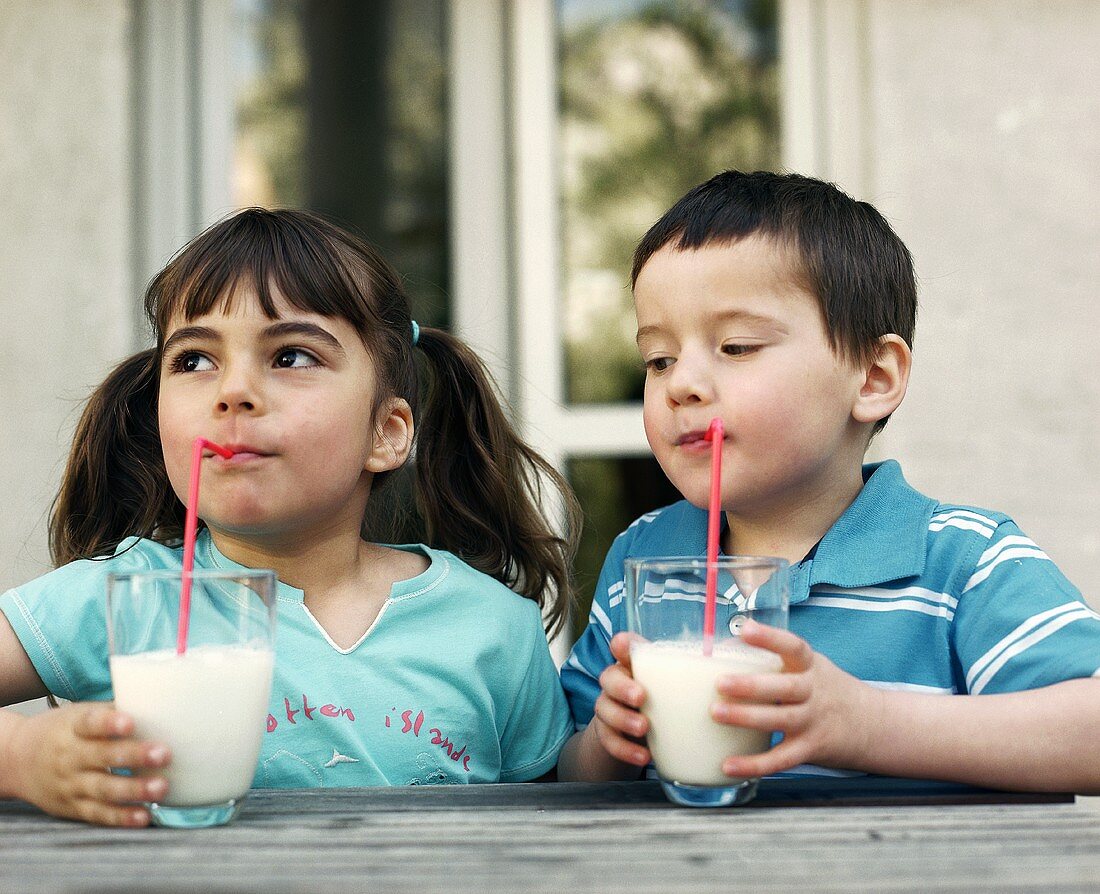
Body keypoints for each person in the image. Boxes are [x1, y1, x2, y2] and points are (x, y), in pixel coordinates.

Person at [0, 208, 580, 826]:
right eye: (194, 361)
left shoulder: (492, 627)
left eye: (292, 356)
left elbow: (551, 822)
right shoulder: (119, 598)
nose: (233, 391)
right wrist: (20, 756)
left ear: (385, 434)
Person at [557, 170, 1100, 791]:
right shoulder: (645, 562)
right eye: (659, 359)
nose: (681, 384)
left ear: (872, 377)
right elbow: (564, 768)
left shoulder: (964, 561)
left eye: (736, 346)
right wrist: (608, 742)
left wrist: (868, 724)